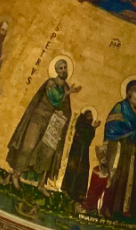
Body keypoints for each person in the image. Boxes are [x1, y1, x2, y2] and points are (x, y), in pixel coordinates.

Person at [7, 58, 81, 187]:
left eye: (65, 67)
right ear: (56, 70)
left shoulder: (65, 87)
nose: (64, 70)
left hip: (52, 122)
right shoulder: (51, 82)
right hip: (39, 117)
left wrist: (62, 116)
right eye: (61, 68)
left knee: (46, 152)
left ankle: (37, 182)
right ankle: (15, 174)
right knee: (28, 146)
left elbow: (65, 108)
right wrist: (67, 93)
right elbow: (54, 98)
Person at [101, 79, 136, 218]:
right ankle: (107, 207)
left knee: (131, 179)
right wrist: (128, 132)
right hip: (120, 147)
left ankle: (126, 209)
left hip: (133, 150)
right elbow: (112, 127)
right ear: (129, 92)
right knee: (116, 177)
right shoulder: (121, 106)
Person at [61, 108, 100, 202]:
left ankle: (79, 193)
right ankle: (68, 189)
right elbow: (82, 133)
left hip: (84, 152)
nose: (90, 116)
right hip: (76, 151)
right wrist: (92, 128)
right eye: (88, 114)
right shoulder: (80, 123)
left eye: (91, 115)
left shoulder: (89, 126)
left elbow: (88, 140)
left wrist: (94, 128)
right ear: (85, 115)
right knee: (73, 168)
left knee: (83, 171)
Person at [83, 142, 111, 214]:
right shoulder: (96, 169)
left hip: (107, 172)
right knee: (93, 192)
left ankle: (99, 209)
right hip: (102, 172)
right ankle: (90, 207)